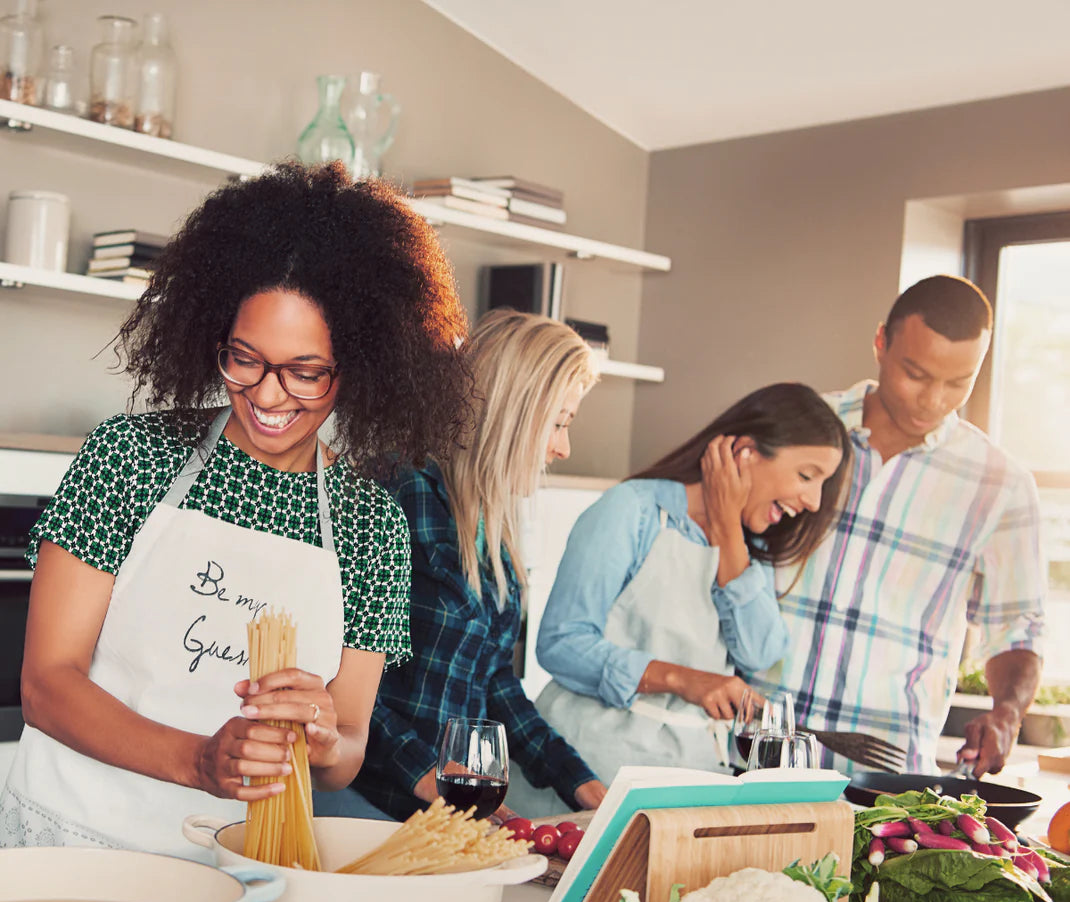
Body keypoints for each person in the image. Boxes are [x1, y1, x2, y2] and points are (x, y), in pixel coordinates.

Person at [0, 162, 472, 858]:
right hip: (76, 841)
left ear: (360, 368)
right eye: (244, 359)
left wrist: (322, 736)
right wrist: (197, 760)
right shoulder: (131, 457)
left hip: (238, 862)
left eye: (305, 372)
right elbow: (46, 683)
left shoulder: (371, 527)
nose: (268, 395)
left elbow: (347, 750)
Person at [749, 275, 1045, 776]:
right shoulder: (793, 430)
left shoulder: (1002, 486)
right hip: (749, 753)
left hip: (884, 780)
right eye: (916, 374)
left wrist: (1007, 713)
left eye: (958, 383)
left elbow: (1017, 628)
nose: (933, 400)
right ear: (881, 342)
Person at [352, 309, 608, 821]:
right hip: (373, 806)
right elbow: (348, 687)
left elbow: (494, 682)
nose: (563, 447)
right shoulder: (400, 493)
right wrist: (436, 781)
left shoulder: (492, 529)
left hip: (444, 815)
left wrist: (580, 782)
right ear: (513, 411)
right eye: (559, 423)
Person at [533, 383, 850, 791]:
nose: (814, 502)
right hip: (587, 774)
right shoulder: (633, 510)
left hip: (689, 777)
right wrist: (682, 679)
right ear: (745, 453)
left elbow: (760, 653)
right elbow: (560, 643)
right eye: (807, 476)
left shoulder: (747, 549)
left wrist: (726, 529)